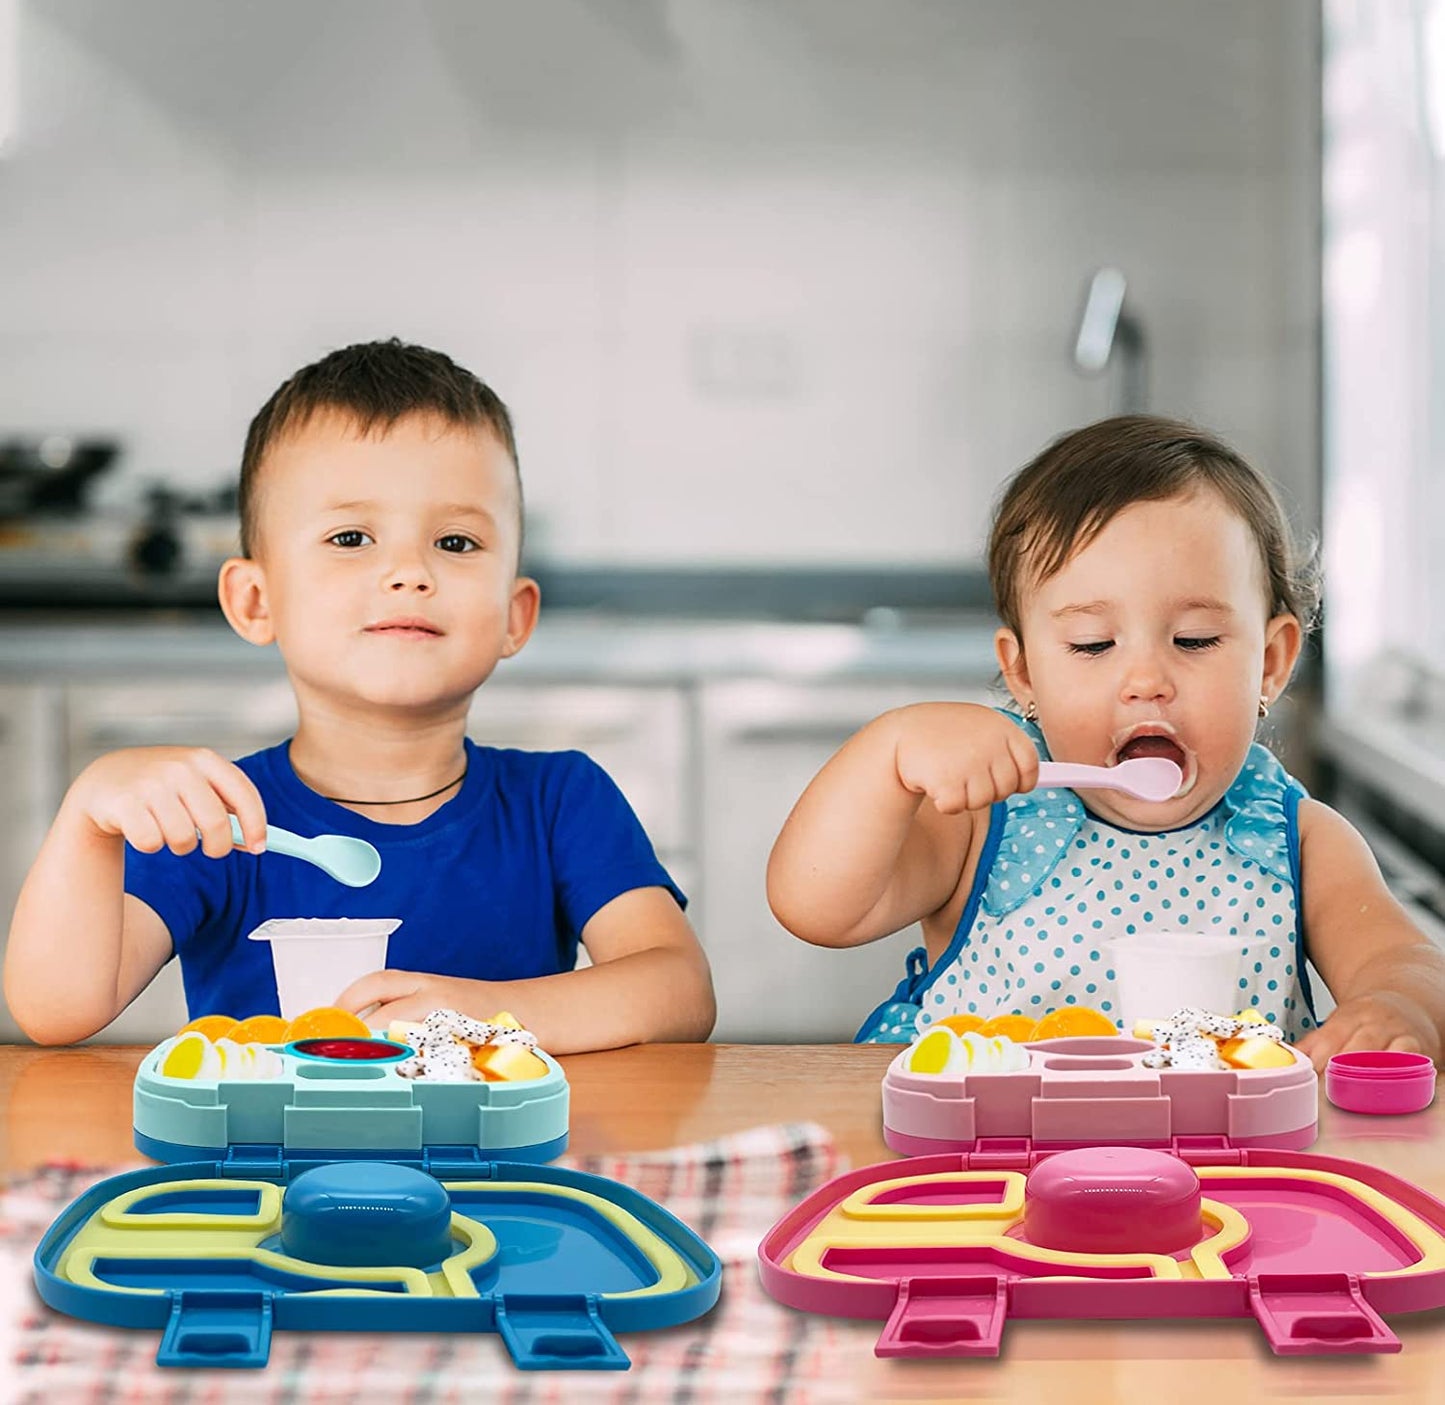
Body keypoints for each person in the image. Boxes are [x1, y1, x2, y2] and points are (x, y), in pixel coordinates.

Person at [4, 339, 715, 1052]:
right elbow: (56, 1008)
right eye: (351, 536)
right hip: (262, 1168)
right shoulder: (218, 821)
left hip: (502, 1168)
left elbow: (678, 990)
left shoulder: (562, 801)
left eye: (457, 543)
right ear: (255, 600)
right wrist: (89, 816)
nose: (408, 571)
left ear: (514, 614)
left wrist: (472, 1015)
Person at [767, 415, 1445, 1068]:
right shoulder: (984, 820)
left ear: (1269, 662)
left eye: (1193, 641)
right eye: (1093, 645)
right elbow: (814, 905)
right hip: (988, 1173)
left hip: (1221, 1175)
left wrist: (1398, 1003)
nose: (1146, 680)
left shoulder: (1297, 840)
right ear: (1024, 671)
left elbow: (1406, 961)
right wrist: (888, 749)